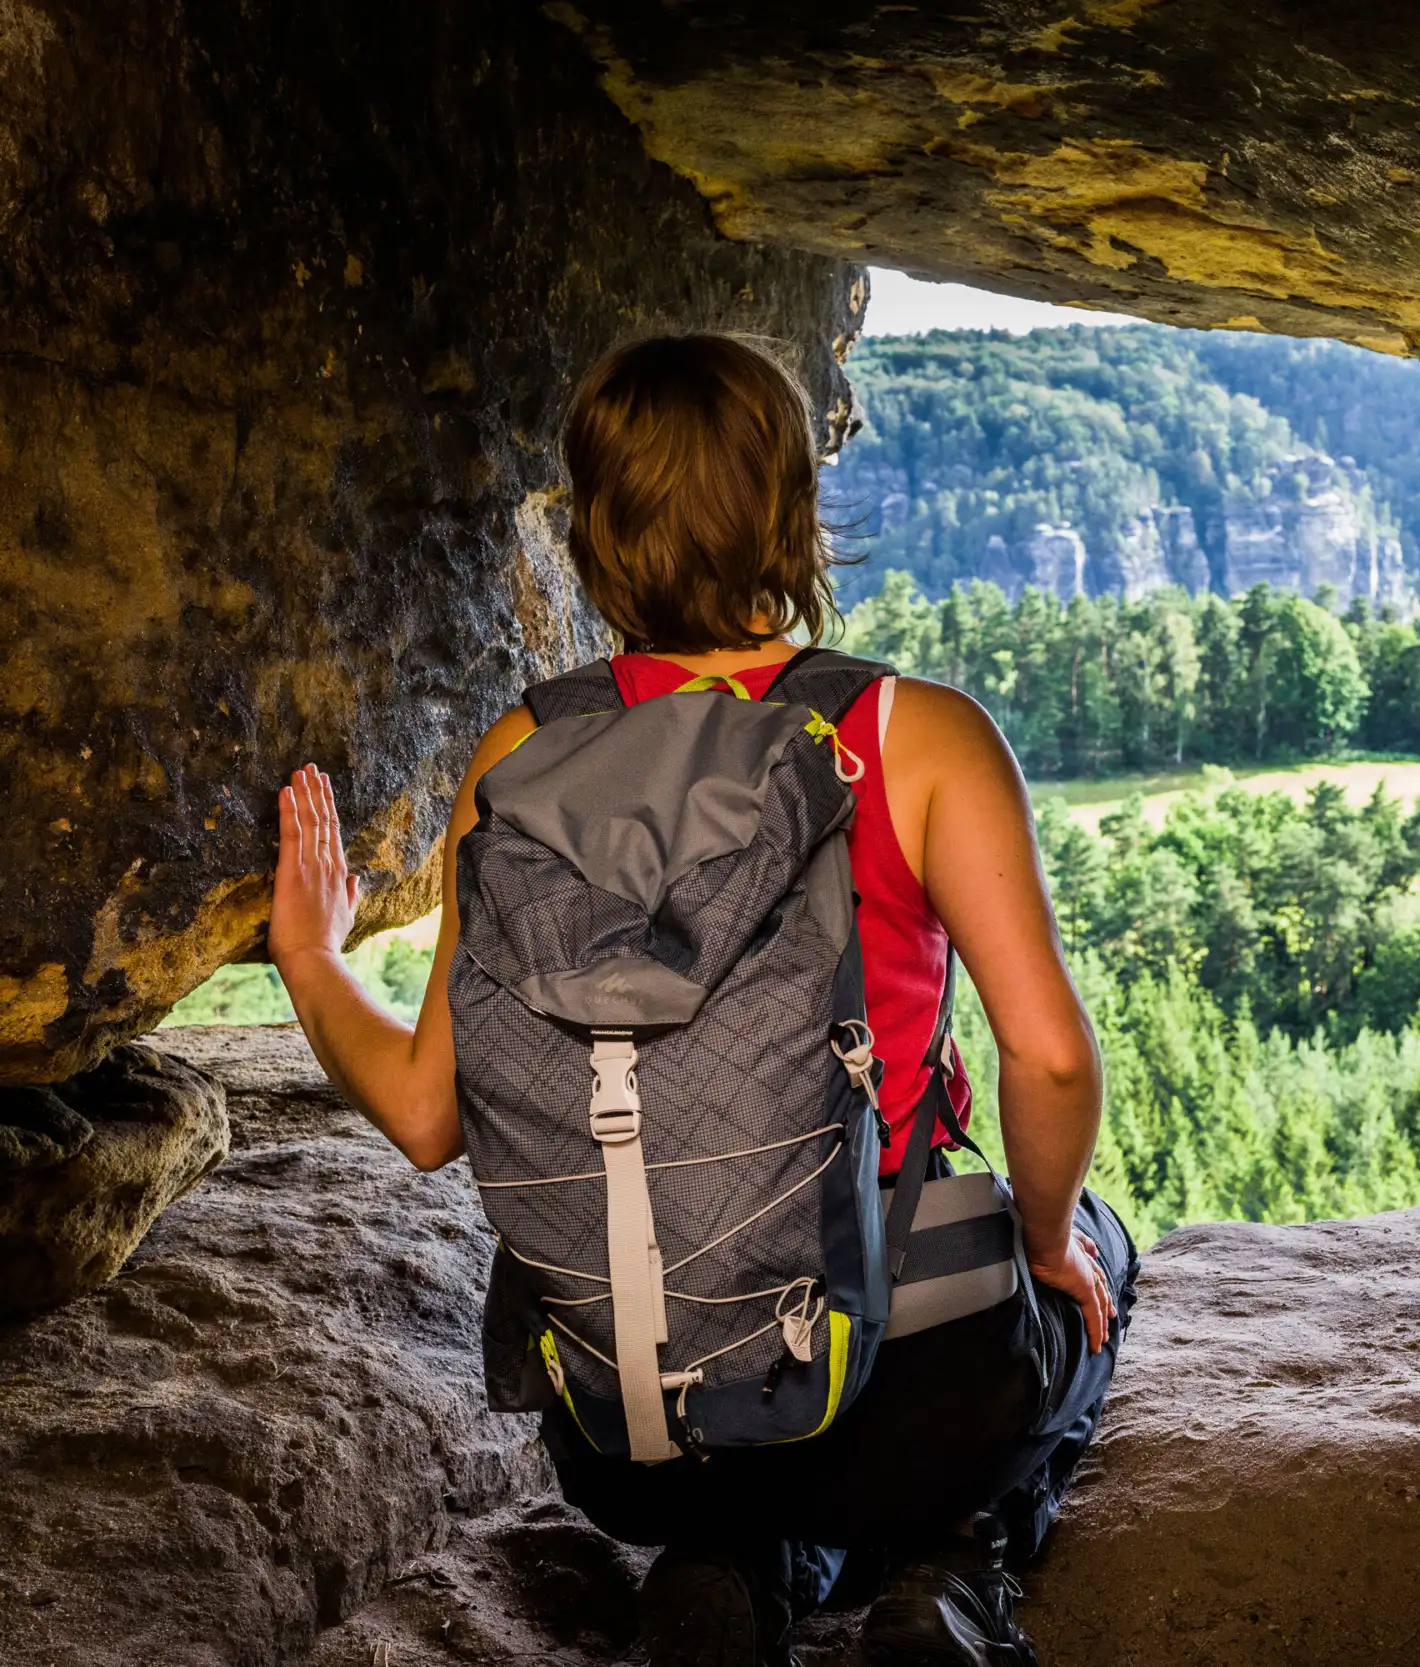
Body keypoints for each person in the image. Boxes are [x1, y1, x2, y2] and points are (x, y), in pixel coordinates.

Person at [265, 333, 1135, 1667]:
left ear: (595, 530)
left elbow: (428, 1113)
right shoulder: (911, 737)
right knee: (1095, 1253)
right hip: (905, 1402)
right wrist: (1049, 1230)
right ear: (794, 510)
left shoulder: (525, 750)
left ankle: (738, 1563)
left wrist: (316, 959)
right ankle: (947, 1574)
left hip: (630, 1436)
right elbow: (1053, 1065)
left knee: (725, 1409)